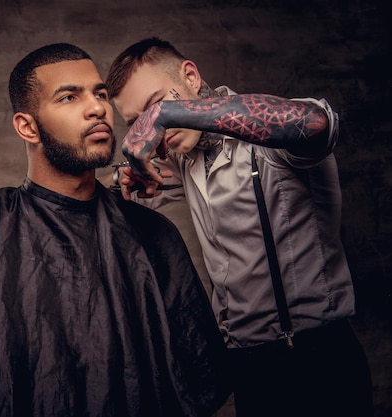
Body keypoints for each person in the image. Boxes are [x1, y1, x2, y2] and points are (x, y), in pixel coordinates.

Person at [0, 43, 231, 417]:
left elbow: (198, 376)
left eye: (100, 94)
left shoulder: (152, 235)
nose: (97, 108)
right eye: (68, 97)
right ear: (27, 127)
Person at [103, 37, 374, 417]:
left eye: (154, 107)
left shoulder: (269, 141)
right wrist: (121, 178)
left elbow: (316, 124)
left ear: (191, 76)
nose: (154, 130)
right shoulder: (183, 158)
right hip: (249, 369)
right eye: (138, 123)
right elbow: (125, 188)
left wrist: (167, 115)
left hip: (317, 358)